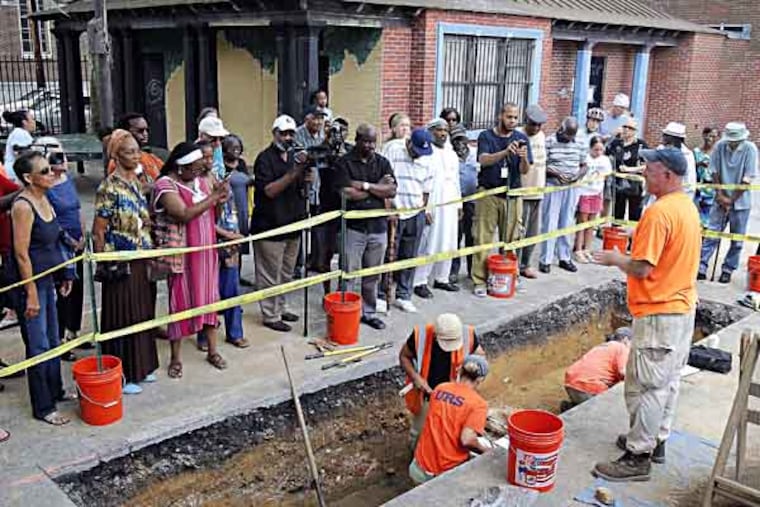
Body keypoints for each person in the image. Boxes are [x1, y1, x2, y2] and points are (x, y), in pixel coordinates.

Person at [592, 147, 700, 481]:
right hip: (681, 308)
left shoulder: (658, 213)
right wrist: (635, 234)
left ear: (667, 175)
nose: (643, 174)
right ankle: (658, 440)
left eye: (649, 170)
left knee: (645, 386)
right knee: (667, 383)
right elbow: (669, 246)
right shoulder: (684, 206)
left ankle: (638, 455)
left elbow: (641, 267)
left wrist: (614, 259)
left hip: (659, 311)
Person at [152, 143, 231, 378]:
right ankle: (176, 358)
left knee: (209, 300)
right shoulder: (164, 185)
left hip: (206, 251)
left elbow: (211, 214)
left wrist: (221, 199)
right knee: (180, 303)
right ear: (180, 166)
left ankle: (212, 350)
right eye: (195, 168)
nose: (200, 171)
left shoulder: (202, 181)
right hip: (182, 254)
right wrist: (214, 197)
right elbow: (183, 214)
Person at [10, 151, 75, 425]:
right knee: (38, 345)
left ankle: (56, 390)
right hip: (31, 284)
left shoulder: (44, 197)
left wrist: (65, 273)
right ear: (28, 177)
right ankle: (43, 407)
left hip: (49, 279)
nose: (53, 173)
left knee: (52, 340)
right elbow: (21, 253)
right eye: (46, 170)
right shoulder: (23, 206)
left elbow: (55, 238)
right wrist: (32, 293)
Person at [92, 129, 159, 395]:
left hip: (140, 256)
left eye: (136, 151)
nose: (135, 155)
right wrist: (104, 262)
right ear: (116, 156)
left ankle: (143, 367)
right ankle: (124, 374)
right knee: (123, 314)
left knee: (142, 311)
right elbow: (99, 229)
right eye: (129, 151)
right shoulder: (109, 187)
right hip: (119, 260)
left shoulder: (135, 182)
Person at [252, 115, 310, 332]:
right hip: (269, 226)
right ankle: (270, 314)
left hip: (293, 224)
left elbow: (301, 190)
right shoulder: (264, 159)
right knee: (269, 274)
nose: (287, 137)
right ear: (274, 133)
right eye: (283, 133)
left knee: (286, 272)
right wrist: (294, 173)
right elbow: (269, 191)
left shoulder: (296, 157)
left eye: (290, 134)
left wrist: (306, 178)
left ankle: (280, 306)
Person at [335, 123, 396, 330]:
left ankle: (368, 313)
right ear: (358, 139)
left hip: (378, 228)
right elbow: (346, 194)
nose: (370, 146)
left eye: (373, 142)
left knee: (372, 275)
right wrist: (378, 187)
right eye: (366, 141)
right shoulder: (344, 163)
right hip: (354, 228)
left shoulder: (382, 162)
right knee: (349, 273)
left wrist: (365, 185)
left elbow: (391, 191)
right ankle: (345, 310)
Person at [399, 313, 485, 448]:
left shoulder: (468, 334)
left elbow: (480, 356)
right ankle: (416, 457)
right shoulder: (421, 336)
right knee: (420, 433)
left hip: (454, 398)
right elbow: (404, 356)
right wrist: (416, 378)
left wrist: (470, 374)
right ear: (435, 335)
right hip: (427, 394)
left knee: (449, 433)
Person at [471, 103, 531, 297]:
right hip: (488, 193)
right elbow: (483, 160)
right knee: (483, 237)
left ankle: (511, 274)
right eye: (509, 117)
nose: (512, 121)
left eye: (515, 118)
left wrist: (522, 158)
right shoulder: (486, 136)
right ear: (500, 116)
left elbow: (524, 170)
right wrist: (505, 152)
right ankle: (479, 280)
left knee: (512, 238)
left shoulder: (522, 138)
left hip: (513, 194)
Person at [36, 137, 85, 360]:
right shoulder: (43, 185)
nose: (60, 158)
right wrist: (68, 240)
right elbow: (49, 217)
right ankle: (60, 340)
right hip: (59, 246)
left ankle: (73, 333)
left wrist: (83, 235)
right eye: (54, 154)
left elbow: (77, 207)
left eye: (61, 153)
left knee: (77, 289)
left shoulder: (66, 178)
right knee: (62, 293)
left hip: (78, 243)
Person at [409, 354, 491, 484]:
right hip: (442, 475)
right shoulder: (478, 404)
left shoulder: (440, 388)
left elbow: (445, 419)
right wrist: (487, 451)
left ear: (459, 370)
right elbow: (467, 439)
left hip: (418, 468)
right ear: (480, 379)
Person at [380, 128, 433, 313]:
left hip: (414, 212)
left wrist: (422, 209)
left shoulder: (427, 159)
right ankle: (381, 294)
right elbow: (383, 180)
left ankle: (404, 295)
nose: (418, 156)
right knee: (388, 255)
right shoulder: (393, 150)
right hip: (394, 211)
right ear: (409, 143)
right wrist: (388, 209)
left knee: (409, 256)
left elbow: (426, 189)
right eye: (416, 151)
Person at [698, 122, 759, 283]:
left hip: (741, 201)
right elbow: (714, 171)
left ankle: (727, 269)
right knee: (712, 233)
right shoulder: (720, 146)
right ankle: (702, 266)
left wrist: (731, 200)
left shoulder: (750, 149)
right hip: (720, 198)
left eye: (735, 140)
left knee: (736, 239)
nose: (732, 143)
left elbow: (747, 179)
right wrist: (720, 195)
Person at [413, 119, 461, 297]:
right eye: (438, 130)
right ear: (431, 132)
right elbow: (422, 183)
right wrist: (425, 208)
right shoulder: (426, 154)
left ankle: (442, 278)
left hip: (450, 201)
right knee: (429, 241)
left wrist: (459, 204)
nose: (442, 134)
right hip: (433, 201)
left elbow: (455, 180)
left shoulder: (452, 154)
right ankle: (420, 281)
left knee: (449, 240)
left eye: (445, 131)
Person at [539, 117, 587, 274]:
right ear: (561, 129)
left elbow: (584, 165)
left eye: (572, 136)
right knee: (550, 222)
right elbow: (542, 164)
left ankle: (564, 257)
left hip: (571, 187)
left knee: (566, 222)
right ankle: (545, 259)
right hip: (553, 186)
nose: (569, 139)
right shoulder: (550, 141)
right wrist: (556, 173)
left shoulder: (579, 142)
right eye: (567, 136)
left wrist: (577, 176)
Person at [563, 327, 631, 408]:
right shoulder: (621, 347)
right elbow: (623, 372)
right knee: (613, 407)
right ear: (626, 339)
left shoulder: (602, 347)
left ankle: (571, 406)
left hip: (571, 383)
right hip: (588, 386)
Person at [517, 105, 548, 279]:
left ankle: (526, 264)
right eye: (533, 124)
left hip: (538, 191)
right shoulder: (519, 137)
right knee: (519, 232)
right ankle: (515, 263)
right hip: (523, 191)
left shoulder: (542, 137)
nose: (536, 128)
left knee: (533, 232)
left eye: (539, 125)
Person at [574, 137, 612, 263]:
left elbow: (606, 175)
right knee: (582, 222)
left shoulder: (605, 160)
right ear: (590, 148)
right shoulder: (585, 158)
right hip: (584, 192)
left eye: (601, 150)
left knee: (591, 223)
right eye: (596, 150)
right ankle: (578, 249)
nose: (599, 152)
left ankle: (587, 249)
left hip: (596, 192)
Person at [222, 135, 254, 286]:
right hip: (229, 209)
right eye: (231, 147)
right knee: (228, 244)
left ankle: (237, 275)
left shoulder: (241, 164)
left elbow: (247, 181)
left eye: (238, 147)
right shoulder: (220, 166)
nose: (235, 150)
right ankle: (226, 279)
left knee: (240, 241)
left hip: (242, 207)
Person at [449, 124, 477, 282]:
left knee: (472, 236)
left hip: (472, 201)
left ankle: (473, 269)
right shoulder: (450, 156)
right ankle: (453, 270)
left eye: (462, 139)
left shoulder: (475, 153)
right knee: (456, 237)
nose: (459, 143)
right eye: (456, 140)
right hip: (456, 202)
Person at [607, 117, 648, 222]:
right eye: (624, 127)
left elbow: (647, 165)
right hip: (618, 184)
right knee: (617, 214)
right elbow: (606, 155)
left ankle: (633, 238)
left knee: (634, 215)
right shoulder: (616, 143)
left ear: (635, 131)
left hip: (635, 185)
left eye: (629, 128)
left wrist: (629, 169)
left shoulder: (641, 145)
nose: (626, 130)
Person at [107, 113, 164, 182]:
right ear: (126, 133)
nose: (145, 134)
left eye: (147, 130)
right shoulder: (118, 162)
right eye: (140, 131)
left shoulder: (150, 157)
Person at [660, 122, 697, 200]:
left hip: (676, 199)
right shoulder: (660, 150)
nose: (663, 138)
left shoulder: (687, 156)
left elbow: (690, 183)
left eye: (666, 136)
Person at [693, 127, 719, 226]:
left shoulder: (717, 153)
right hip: (698, 189)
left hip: (711, 190)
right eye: (710, 136)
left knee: (708, 220)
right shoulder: (696, 152)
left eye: (715, 137)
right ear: (704, 135)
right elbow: (690, 168)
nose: (712, 139)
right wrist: (699, 164)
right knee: (695, 218)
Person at [3, 110, 35, 181]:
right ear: (24, 122)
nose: (34, 122)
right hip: (15, 174)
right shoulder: (20, 133)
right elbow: (20, 153)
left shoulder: (20, 132)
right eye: (32, 119)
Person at [197, 116, 230, 181]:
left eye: (221, 139)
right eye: (213, 139)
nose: (218, 143)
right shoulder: (193, 154)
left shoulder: (218, 150)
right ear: (201, 135)